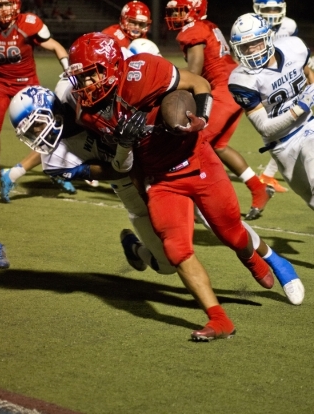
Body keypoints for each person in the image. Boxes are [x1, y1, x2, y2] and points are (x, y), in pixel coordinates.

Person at [64, 32, 304, 341]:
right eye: (79, 78)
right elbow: (124, 165)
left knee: (230, 233)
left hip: (196, 160)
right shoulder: (89, 114)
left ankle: (253, 259)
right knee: (176, 251)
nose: (85, 85)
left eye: (91, 74)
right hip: (161, 180)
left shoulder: (143, 71)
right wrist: (125, 150)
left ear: (112, 65)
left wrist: (200, 120)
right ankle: (219, 320)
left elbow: (199, 84)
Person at [164, 0, 274, 221]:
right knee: (219, 145)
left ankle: (194, 199)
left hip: (225, 90)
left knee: (192, 142)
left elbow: (194, 71)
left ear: (195, 10)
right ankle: (258, 188)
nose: (176, 16)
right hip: (236, 85)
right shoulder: (207, 26)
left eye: (181, 11)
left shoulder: (193, 31)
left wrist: (165, 77)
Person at [228, 13, 314, 211]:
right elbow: (265, 129)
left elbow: (308, 74)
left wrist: (309, 97)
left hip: (308, 126)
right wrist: (301, 106)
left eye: (256, 43)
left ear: (267, 38)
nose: (251, 51)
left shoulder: (294, 48)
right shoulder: (241, 80)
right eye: (244, 47)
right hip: (281, 145)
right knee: (311, 200)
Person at [0, 0, 74, 195]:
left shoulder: (28, 24)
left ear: (17, 5)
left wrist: (68, 70)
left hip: (26, 84)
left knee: (44, 131)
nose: (3, 9)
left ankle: (55, 171)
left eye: (8, 4)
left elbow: (56, 46)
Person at [253, 0, 298, 193]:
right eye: (267, 10)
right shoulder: (252, 26)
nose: (272, 15)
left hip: (286, 80)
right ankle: (268, 176)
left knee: (288, 128)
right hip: (263, 85)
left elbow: (296, 49)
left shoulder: (289, 25)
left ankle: (268, 175)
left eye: (275, 9)